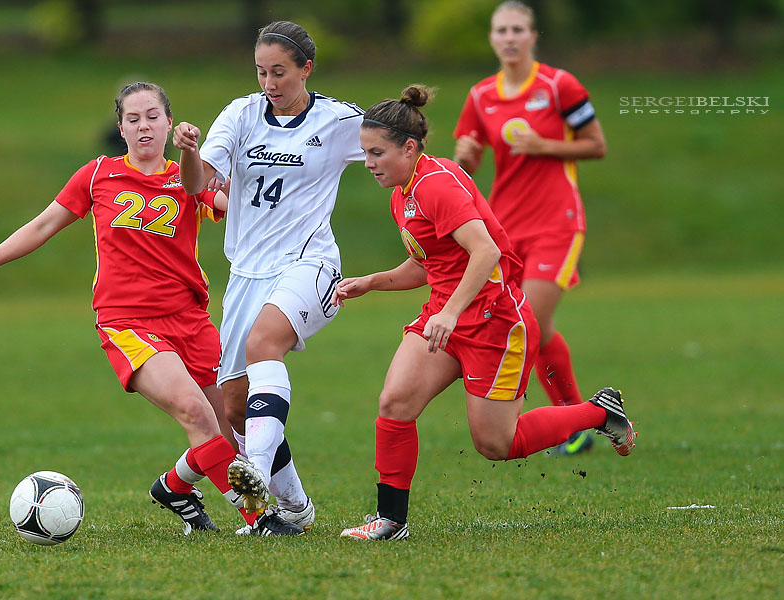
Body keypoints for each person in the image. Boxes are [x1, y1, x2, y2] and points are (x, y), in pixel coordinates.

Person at [0, 81, 299, 536]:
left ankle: (174, 487)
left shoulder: (189, 177)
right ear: (121, 128)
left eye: (153, 116)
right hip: (128, 322)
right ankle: (262, 518)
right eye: (133, 119)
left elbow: (240, 208)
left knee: (229, 434)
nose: (144, 126)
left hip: (192, 320)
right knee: (195, 414)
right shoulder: (98, 175)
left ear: (170, 123)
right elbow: (42, 226)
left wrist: (221, 170)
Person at [335, 85, 634, 541]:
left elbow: (486, 252)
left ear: (409, 148)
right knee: (395, 403)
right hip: (446, 316)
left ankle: (598, 413)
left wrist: (451, 313)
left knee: (497, 444)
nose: (368, 163)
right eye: (365, 153)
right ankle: (391, 520)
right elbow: (428, 264)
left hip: (495, 322)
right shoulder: (403, 192)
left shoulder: (436, 184)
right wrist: (372, 282)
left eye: (377, 153)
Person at [174, 20, 365, 534]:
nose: (269, 82)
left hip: (310, 263)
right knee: (235, 406)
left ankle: (254, 468)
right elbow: (195, 184)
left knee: (264, 344)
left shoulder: (337, 120)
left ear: (306, 69)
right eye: (261, 72)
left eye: (279, 72)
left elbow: (394, 143)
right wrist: (188, 151)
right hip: (246, 273)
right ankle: (295, 508)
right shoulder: (240, 114)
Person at [453, 1, 608, 456]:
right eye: (501, 30)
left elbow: (596, 145)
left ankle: (571, 423)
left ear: (533, 36)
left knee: (531, 322)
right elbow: (467, 164)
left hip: (558, 222)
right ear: (492, 38)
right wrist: (465, 158)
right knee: (536, 326)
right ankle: (576, 417)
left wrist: (545, 145)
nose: (509, 38)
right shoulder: (481, 95)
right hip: (504, 226)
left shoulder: (559, 86)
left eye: (518, 29)